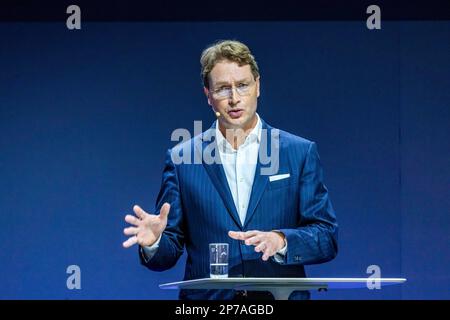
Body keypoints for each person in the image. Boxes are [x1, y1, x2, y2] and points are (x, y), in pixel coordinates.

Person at [122, 40, 338, 300]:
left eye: (243, 85)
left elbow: (326, 236)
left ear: (258, 86)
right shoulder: (182, 160)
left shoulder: (299, 152)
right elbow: (167, 252)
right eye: (223, 88)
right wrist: (155, 242)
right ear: (208, 96)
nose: (235, 98)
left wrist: (282, 240)